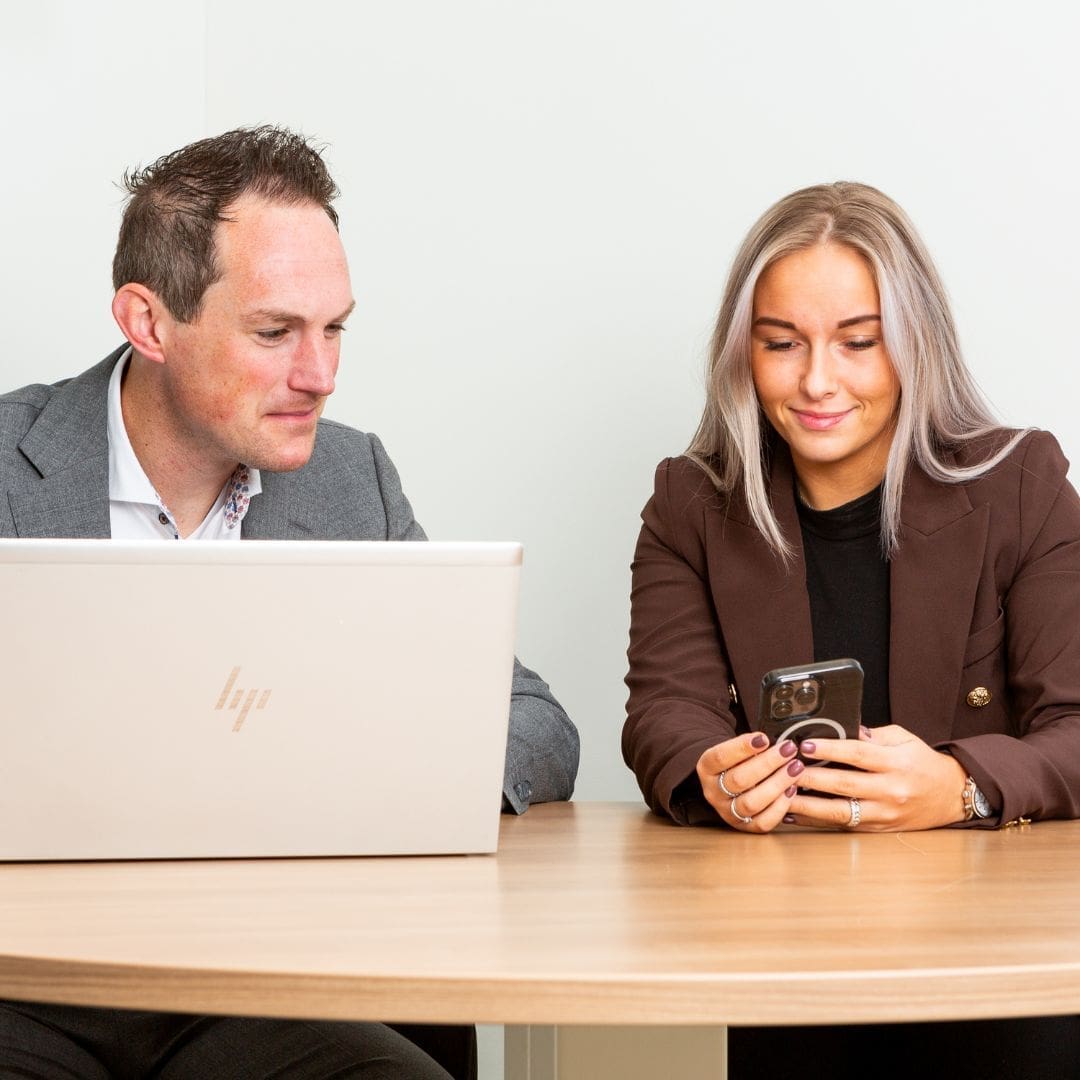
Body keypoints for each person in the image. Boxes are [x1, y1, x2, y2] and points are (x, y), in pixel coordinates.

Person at [0, 126, 578, 1080]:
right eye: (275, 333)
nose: (321, 374)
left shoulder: (352, 478)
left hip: (256, 995)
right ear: (148, 322)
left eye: (335, 327)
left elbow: (537, 724)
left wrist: (368, 766)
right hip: (23, 992)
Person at [623, 182, 1080, 1077]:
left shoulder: (1020, 484)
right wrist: (711, 778)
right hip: (784, 947)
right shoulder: (691, 504)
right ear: (742, 354)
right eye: (781, 345)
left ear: (915, 347)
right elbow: (663, 715)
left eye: (858, 343)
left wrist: (961, 787)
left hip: (999, 953)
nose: (818, 380)